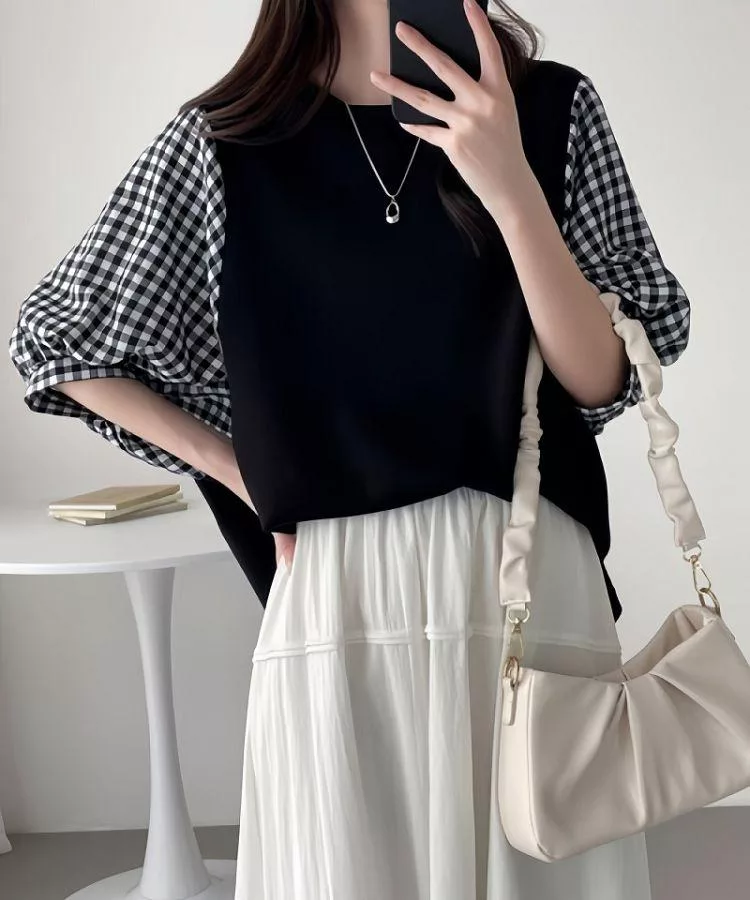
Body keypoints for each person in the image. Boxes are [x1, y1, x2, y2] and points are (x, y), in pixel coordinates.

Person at [8, 0, 689, 896]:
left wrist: (512, 185)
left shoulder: (551, 107)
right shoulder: (227, 140)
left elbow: (602, 378)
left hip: (528, 580)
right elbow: (56, 344)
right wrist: (244, 473)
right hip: (338, 602)